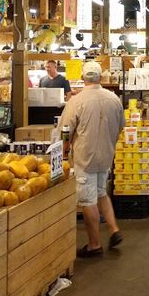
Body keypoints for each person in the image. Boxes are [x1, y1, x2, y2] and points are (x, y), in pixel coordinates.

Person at [58, 61, 125, 257]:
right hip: (106, 155)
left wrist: (64, 152)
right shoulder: (114, 99)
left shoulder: (76, 101)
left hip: (85, 157)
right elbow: (121, 126)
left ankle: (94, 245)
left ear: (82, 78)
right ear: (101, 77)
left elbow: (65, 131)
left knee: (88, 200)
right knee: (102, 192)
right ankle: (114, 229)